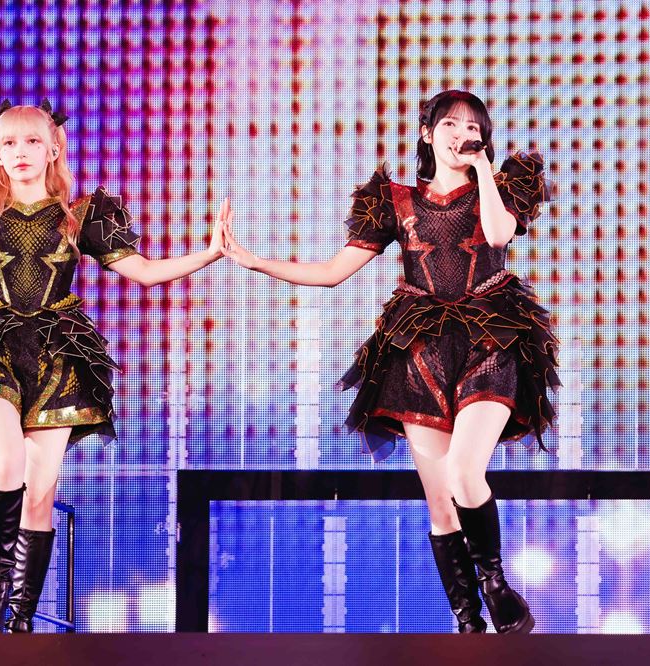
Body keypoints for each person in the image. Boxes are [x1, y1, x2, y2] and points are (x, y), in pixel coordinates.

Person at [222, 90, 557, 634]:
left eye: (472, 128)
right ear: (427, 134)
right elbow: (332, 272)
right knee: (441, 504)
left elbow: (499, 234)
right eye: (450, 125)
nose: (461, 135)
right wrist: (254, 261)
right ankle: (468, 624)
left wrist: (483, 171)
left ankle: (496, 584)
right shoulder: (396, 201)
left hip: (490, 339)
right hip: (419, 352)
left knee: (464, 471)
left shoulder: (501, 186)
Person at [0, 100, 230, 633]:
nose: (20, 152)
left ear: (53, 149)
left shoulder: (79, 215)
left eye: (32, 141)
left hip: (57, 356)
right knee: (5, 458)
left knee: (40, 494)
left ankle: (21, 616)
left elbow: (144, 272)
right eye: (9, 143)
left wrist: (209, 253)